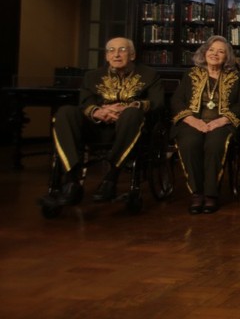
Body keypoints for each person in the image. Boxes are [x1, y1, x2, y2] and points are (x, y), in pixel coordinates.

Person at [51, 37, 164, 205]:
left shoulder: (149, 75)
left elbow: (158, 103)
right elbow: (85, 102)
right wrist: (98, 111)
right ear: (106, 56)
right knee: (65, 112)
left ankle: (111, 177)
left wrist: (130, 107)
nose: (116, 55)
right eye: (111, 51)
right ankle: (71, 180)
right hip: (96, 128)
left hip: (130, 129)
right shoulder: (92, 76)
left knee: (132, 114)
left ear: (132, 55)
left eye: (122, 50)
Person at [172, 36, 240, 214]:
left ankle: (211, 195)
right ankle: (197, 194)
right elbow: (177, 101)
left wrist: (222, 120)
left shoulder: (236, 77)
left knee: (214, 145)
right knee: (189, 144)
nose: (215, 54)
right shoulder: (191, 74)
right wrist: (192, 120)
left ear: (227, 57)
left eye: (221, 51)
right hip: (192, 122)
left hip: (222, 124)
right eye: (211, 50)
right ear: (204, 52)